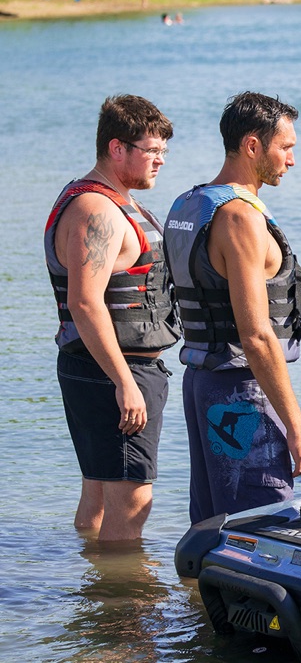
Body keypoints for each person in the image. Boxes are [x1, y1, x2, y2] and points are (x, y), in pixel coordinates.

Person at [163, 92, 301, 524]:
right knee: (259, 525)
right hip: (241, 392)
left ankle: (191, 595)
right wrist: (297, 428)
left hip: (202, 384)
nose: (292, 160)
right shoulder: (240, 218)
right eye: (286, 147)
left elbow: (239, 290)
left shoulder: (190, 204)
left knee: (212, 525)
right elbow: (257, 333)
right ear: (252, 146)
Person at [44, 95, 179, 541]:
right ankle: (124, 605)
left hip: (101, 367)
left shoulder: (109, 200)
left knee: (99, 494)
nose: (160, 160)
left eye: (164, 151)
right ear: (117, 148)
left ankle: (93, 587)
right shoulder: (96, 209)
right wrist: (124, 382)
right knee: (131, 502)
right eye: (152, 150)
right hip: (114, 371)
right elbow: (85, 302)